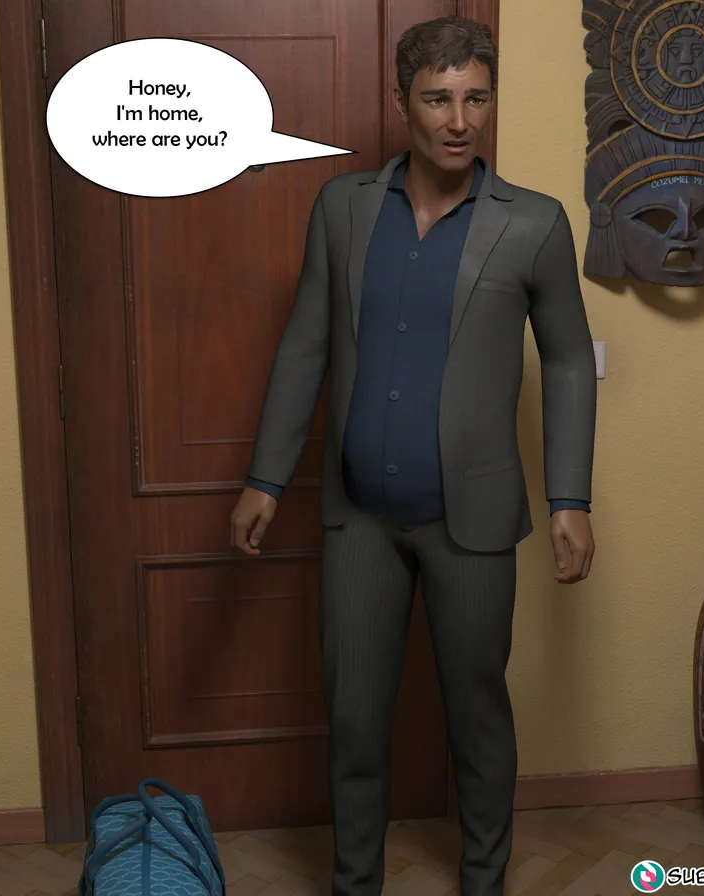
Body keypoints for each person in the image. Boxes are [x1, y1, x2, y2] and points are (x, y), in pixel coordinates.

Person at [229, 16, 596, 896]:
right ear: (403, 103)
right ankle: (354, 883)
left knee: (478, 720)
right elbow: (305, 345)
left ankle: (484, 881)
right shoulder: (344, 209)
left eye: (476, 98)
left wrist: (570, 498)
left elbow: (568, 361)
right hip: (358, 519)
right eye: (437, 99)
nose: (459, 121)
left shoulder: (534, 224)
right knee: (355, 722)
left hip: (473, 522)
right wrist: (264, 477)